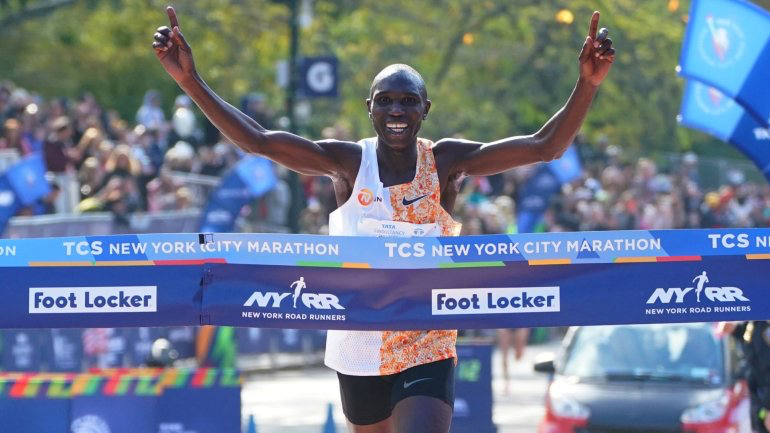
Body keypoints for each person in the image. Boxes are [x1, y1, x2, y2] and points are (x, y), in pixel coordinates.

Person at [152, 7, 615, 432]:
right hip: (359, 339)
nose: (397, 111)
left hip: (426, 337)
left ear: (425, 110)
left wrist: (588, 85)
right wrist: (191, 81)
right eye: (386, 101)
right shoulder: (350, 163)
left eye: (408, 101)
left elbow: (544, 146)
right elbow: (259, 141)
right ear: (368, 107)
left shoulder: (446, 161)